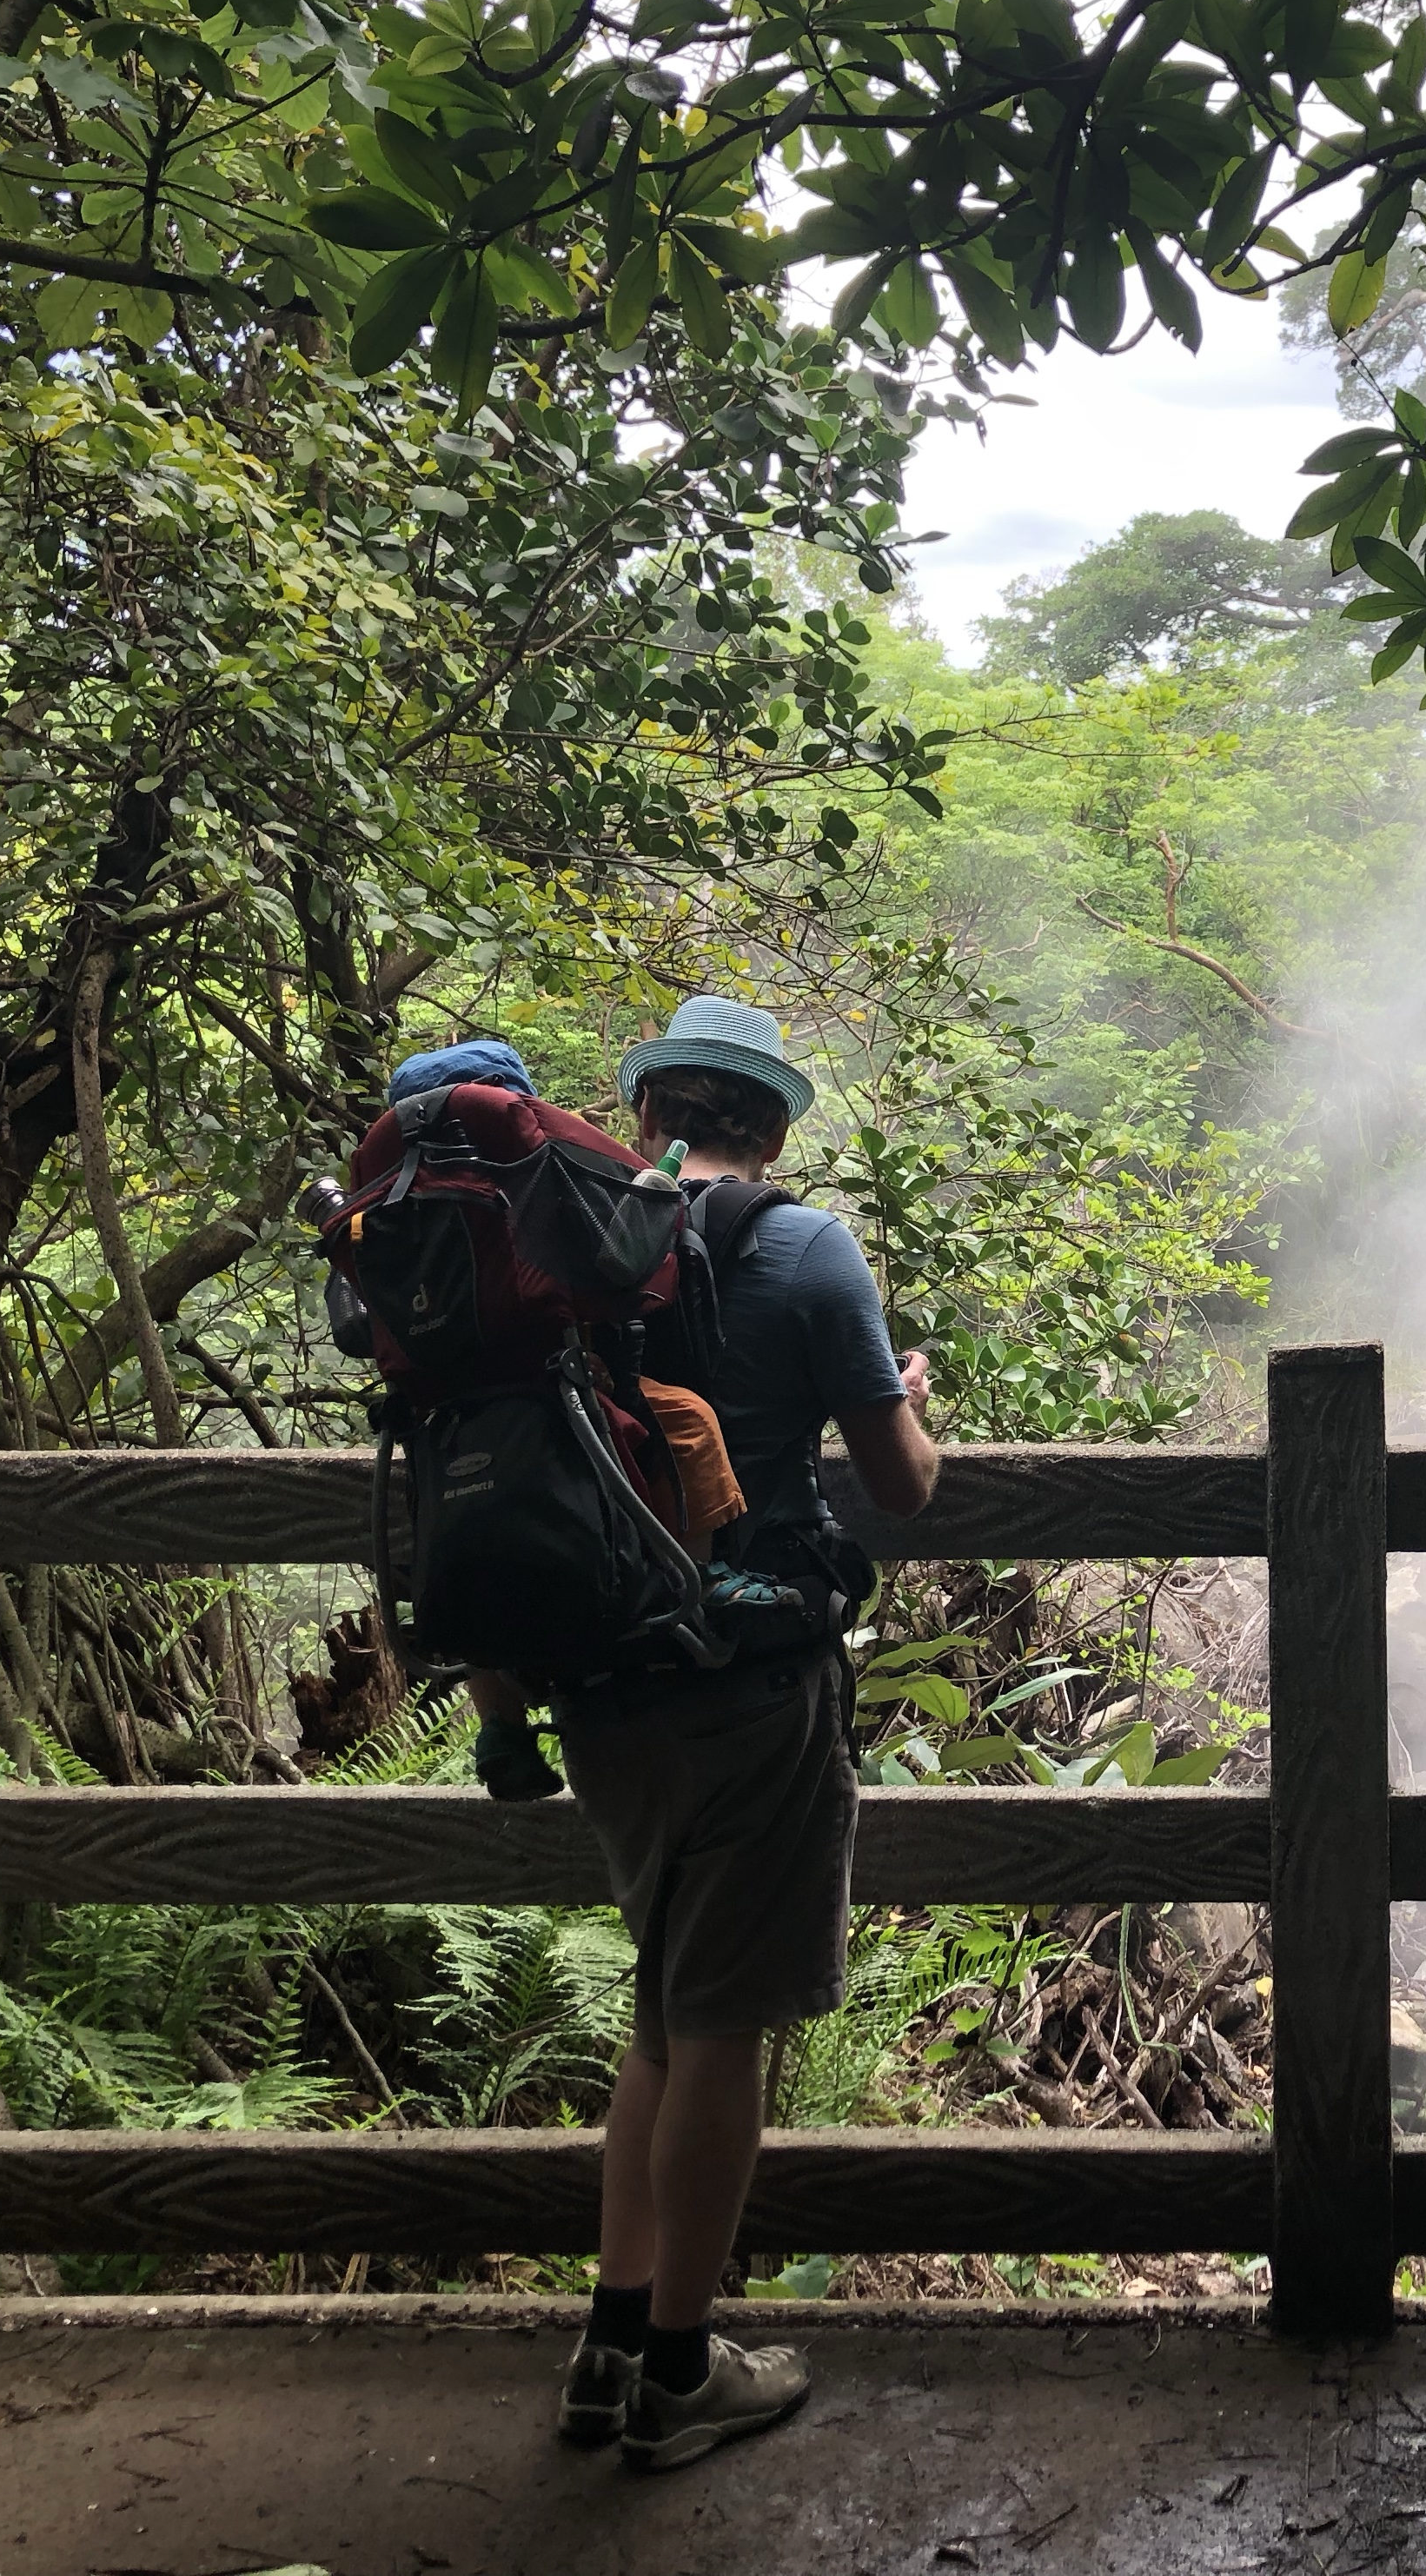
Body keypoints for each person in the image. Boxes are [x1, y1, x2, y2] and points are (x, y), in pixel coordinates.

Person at [547, 993, 939, 2469]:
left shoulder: (585, 1250)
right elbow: (898, 1487)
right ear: (770, 1129)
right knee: (722, 2024)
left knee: (661, 2001)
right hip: (746, 1683)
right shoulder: (804, 1245)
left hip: (599, 1683)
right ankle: (679, 2367)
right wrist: (907, 1401)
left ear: (652, 1120)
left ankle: (608, 2339)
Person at [370, 1040, 745, 1809]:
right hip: (559, 1390)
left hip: (446, 1428)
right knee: (693, 1424)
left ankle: (500, 1728)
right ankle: (703, 1585)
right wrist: (652, 1196)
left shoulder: (392, 1218)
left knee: (459, 1541)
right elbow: (623, 1272)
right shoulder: (533, 1188)